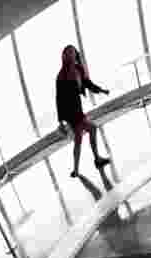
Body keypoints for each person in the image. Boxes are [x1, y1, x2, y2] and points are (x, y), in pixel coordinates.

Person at [55, 45, 111, 178]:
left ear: (75, 54)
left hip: (78, 109)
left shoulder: (78, 69)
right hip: (71, 113)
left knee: (80, 139)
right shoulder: (61, 75)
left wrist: (101, 90)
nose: (71, 55)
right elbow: (59, 98)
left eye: (73, 52)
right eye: (68, 53)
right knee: (91, 129)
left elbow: (87, 83)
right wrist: (61, 121)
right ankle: (96, 160)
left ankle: (77, 170)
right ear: (64, 56)